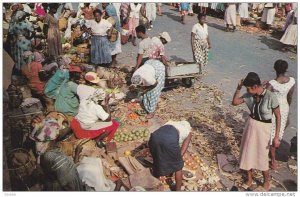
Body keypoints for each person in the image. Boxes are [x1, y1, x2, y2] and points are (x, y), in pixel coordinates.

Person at [232, 72, 281, 191]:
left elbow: (278, 116)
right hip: (251, 126)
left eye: (248, 88)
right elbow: (235, 102)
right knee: (247, 152)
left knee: (262, 156)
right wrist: (238, 88)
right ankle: (249, 179)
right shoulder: (249, 95)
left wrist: (276, 137)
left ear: (255, 87)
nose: (247, 90)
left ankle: (266, 181)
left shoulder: (270, 96)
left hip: (264, 129)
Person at [71, 72, 119, 148]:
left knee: (97, 118)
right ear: (100, 99)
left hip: (78, 121)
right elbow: (108, 119)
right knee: (113, 124)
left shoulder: (85, 100)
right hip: (86, 126)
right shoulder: (97, 108)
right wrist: (106, 104)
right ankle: (99, 140)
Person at [266, 60, 295, 170]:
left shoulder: (272, 84)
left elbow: (266, 98)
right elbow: (290, 97)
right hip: (284, 107)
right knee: (279, 131)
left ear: (275, 68)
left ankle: (272, 160)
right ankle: (273, 159)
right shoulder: (291, 81)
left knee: (273, 134)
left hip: (274, 109)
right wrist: (287, 108)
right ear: (286, 69)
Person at [149, 120, 192, 191]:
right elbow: (183, 150)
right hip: (169, 140)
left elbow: (161, 138)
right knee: (178, 166)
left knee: (158, 157)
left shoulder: (170, 122)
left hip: (153, 137)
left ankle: (155, 178)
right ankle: (178, 190)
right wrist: (176, 162)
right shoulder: (188, 132)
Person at [102, 3, 122, 67]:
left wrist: (109, 33)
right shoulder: (112, 7)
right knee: (115, 47)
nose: (102, 5)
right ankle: (113, 61)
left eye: (103, 4)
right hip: (117, 31)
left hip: (113, 33)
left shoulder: (108, 10)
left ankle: (111, 62)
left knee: (112, 48)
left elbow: (111, 23)